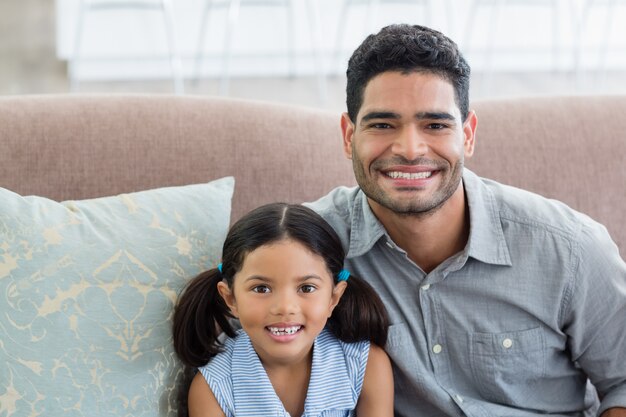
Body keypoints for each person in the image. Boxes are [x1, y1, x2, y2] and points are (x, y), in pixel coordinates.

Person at [306, 24, 626, 416]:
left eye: (436, 125)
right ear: (348, 135)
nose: (409, 149)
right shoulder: (305, 248)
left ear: (468, 135)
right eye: (383, 125)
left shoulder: (570, 248)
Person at [172, 203, 393, 417]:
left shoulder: (366, 365)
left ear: (333, 298)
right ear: (231, 299)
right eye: (261, 288)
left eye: (306, 288)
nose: (285, 308)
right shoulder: (213, 388)